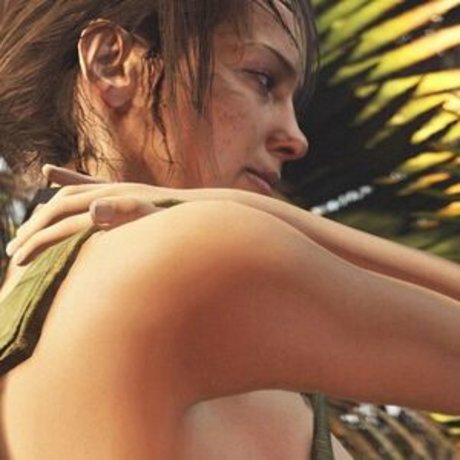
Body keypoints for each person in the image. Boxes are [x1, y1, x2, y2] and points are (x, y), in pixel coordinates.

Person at [0, 0, 459, 459]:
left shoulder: (23, 301)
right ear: (111, 63)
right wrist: (258, 214)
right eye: (262, 79)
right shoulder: (193, 255)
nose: (296, 137)